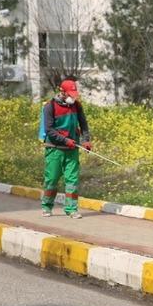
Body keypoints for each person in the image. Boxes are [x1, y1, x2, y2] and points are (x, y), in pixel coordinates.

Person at [41, 77, 91, 219]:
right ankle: (47, 206)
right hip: (55, 149)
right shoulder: (50, 107)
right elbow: (49, 130)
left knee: (72, 180)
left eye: (74, 95)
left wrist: (86, 140)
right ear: (62, 92)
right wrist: (65, 140)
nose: (72, 98)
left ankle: (71, 209)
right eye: (70, 95)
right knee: (52, 179)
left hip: (72, 149)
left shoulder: (77, 106)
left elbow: (84, 124)